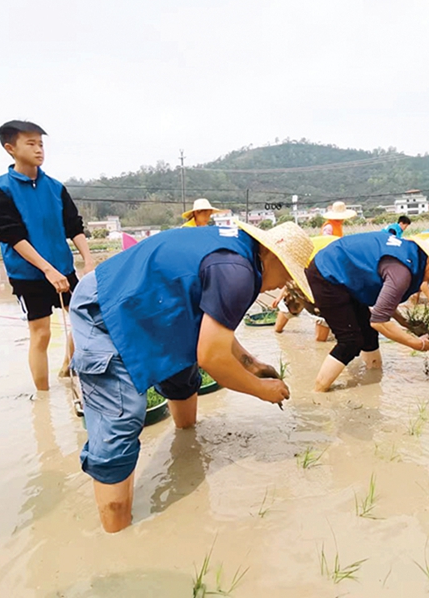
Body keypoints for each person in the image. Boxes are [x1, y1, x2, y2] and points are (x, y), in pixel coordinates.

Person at [69, 221, 313, 532]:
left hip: (148, 303)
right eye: (287, 275)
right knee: (121, 418)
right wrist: (261, 390)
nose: (281, 286)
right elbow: (212, 357)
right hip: (105, 304)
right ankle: (117, 534)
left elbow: (215, 333)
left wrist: (251, 364)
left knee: (181, 372)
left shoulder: (239, 255)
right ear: (272, 255)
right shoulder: (238, 271)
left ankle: (186, 440)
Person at [0, 120, 95, 392]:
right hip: (28, 273)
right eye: (31, 144)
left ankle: (67, 368)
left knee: (86, 320)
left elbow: (74, 226)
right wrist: (47, 269)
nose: (38, 150)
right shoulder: (1, 188)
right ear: (10, 148)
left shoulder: (55, 187)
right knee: (41, 333)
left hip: (63, 267)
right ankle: (43, 397)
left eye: (41, 144)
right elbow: (10, 234)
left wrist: (88, 260)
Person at [308, 231, 429, 392]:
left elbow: (383, 305)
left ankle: (372, 383)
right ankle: (319, 391)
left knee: (369, 335)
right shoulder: (402, 273)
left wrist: (406, 323)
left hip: (347, 275)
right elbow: (379, 322)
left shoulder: (413, 257)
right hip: (327, 272)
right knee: (350, 341)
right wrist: (416, 344)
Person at [273, 234, 337, 339]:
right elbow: (292, 276)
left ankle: (319, 342)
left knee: (322, 306)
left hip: (324, 267)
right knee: (298, 298)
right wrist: (280, 296)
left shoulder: (292, 254)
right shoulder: (299, 251)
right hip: (325, 263)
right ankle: (278, 332)